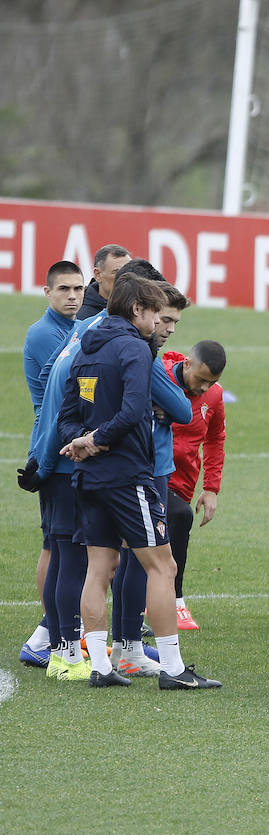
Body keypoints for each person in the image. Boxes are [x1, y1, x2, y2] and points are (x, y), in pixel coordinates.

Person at [57, 273, 219, 689]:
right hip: (128, 476)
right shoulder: (135, 348)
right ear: (137, 311)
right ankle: (173, 669)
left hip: (89, 476)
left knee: (99, 567)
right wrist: (97, 439)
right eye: (154, 314)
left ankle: (100, 666)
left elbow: (66, 416)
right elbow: (132, 412)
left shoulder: (85, 347)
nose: (159, 324)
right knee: (163, 566)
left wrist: (80, 443)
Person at [17, 260, 84, 669]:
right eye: (64, 289)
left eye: (78, 289)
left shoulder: (77, 327)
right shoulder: (43, 334)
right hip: (55, 452)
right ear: (47, 292)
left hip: (60, 448)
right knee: (60, 548)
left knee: (62, 548)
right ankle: (53, 637)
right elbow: (56, 401)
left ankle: (55, 635)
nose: (73, 296)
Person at [163, 340, 228, 632]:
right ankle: (174, 602)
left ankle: (146, 608)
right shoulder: (159, 378)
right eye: (201, 380)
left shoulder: (213, 396)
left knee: (160, 541)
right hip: (149, 476)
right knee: (179, 517)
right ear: (187, 363)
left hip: (183, 484)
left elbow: (215, 439)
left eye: (211, 382)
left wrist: (211, 488)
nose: (204, 388)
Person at [74, 243, 131, 320]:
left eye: (130, 272)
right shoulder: (80, 317)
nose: (127, 278)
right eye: (118, 273)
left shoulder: (142, 310)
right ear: (98, 275)